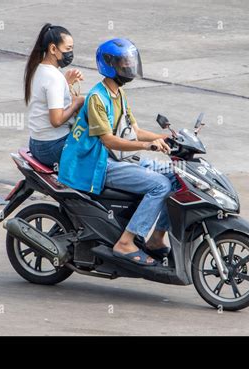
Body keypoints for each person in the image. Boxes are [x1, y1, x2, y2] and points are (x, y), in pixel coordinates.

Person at [58, 38, 178, 266]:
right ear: (109, 64)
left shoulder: (118, 94)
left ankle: (156, 238)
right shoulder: (97, 98)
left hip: (117, 158)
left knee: (175, 176)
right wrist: (146, 146)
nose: (128, 67)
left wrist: (165, 138)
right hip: (98, 163)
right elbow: (109, 140)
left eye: (130, 62)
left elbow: (134, 130)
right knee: (159, 185)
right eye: (124, 63)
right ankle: (125, 242)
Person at [24, 23, 85, 168]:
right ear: (53, 48)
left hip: (36, 143)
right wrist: (77, 102)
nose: (70, 53)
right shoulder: (54, 78)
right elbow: (56, 120)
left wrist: (67, 83)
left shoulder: (38, 69)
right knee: (96, 148)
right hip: (53, 146)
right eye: (68, 49)